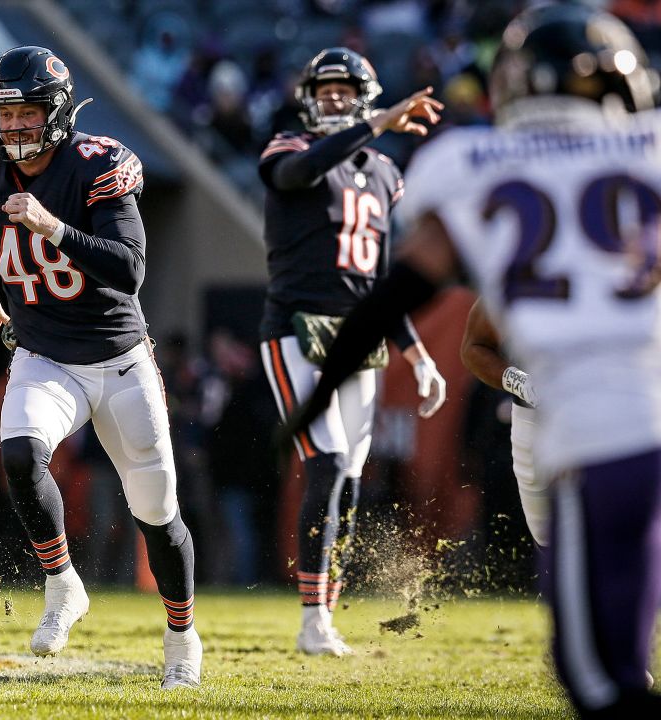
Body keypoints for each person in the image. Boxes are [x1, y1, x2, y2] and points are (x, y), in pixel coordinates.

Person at [280, 5, 661, 715]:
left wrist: (314, 396)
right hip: (640, 424)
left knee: (595, 676)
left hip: (593, 442)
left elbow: (398, 289)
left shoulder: (476, 162)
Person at [0, 45, 201, 689]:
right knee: (18, 455)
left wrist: (53, 226)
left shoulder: (98, 164)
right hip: (44, 354)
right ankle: (63, 584)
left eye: (27, 112)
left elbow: (128, 268)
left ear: (57, 110)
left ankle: (181, 636)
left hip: (119, 361)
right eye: (3, 115)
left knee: (156, 511)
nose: (14, 128)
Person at [257, 46, 448, 656]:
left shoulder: (388, 173)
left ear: (364, 95)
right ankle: (312, 622)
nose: (334, 98)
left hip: (359, 337)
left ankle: (325, 616)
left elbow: (383, 278)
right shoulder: (287, 146)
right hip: (295, 326)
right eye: (325, 89)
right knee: (328, 464)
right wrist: (377, 122)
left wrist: (418, 355)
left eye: (346, 90)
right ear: (309, 97)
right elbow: (296, 176)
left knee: (351, 479)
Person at [459, 300, 543, 546]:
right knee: (544, 533)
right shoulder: (522, 269)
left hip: (615, 420)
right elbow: (475, 345)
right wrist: (522, 383)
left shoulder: (634, 271)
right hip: (536, 414)